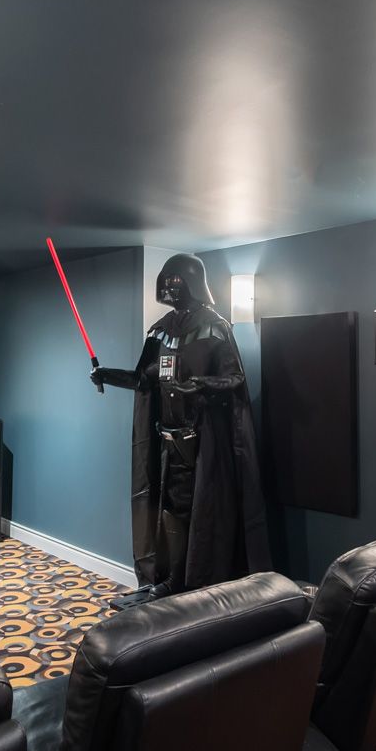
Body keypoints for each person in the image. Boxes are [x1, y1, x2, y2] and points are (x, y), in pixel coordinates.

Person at [90, 253, 269, 600]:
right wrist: (106, 375)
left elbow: (234, 378)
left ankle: (194, 582)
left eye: (176, 281)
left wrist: (198, 385)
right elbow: (144, 379)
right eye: (166, 281)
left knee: (197, 510)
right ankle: (172, 579)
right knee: (168, 508)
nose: (169, 288)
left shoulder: (215, 326)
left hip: (202, 442)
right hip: (166, 441)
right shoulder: (161, 330)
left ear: (192, 282)